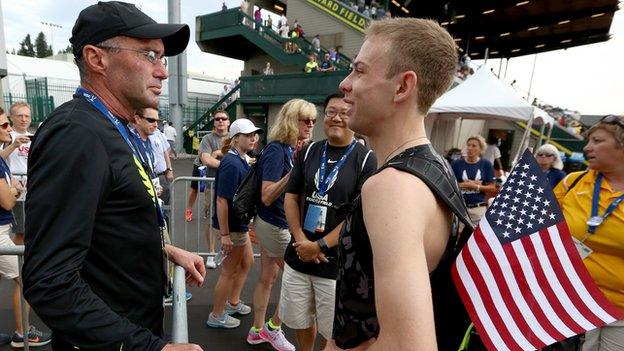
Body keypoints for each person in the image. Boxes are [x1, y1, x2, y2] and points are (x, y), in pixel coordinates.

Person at [22, 2, 205, 350]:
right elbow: (50, 281)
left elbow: (106, 223)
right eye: (150, 55)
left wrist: (164, 249)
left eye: (163, 59)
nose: (163, 72)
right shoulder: (78, 134)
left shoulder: (110, 126)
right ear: (96, 58)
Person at [329, 18, 461, 350]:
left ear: (402, 87)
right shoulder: (436, 167)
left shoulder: (393, 187)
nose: (345, 84)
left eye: (359, 71)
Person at [282, 92, 376, 351]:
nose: (337, 119)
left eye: (345, 113)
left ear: (354, 116)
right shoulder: (310, 150)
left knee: (332, 329)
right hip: (299, 255)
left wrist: (320, 246)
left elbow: (357, 215)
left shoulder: (366, 159)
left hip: (337, 265)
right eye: (332, 112)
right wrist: (302, 240)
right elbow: (291, 198)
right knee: (300, 320)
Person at [247, 99, 315, 351]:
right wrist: (295, 172)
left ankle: (257, 330)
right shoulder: (277, 150)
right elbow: (267, 195)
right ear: (291, 120)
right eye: (305, 120)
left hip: (271, 223)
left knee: (268, 277)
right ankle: (273, 328)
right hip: (274, 225)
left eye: (313, 121)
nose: (310, 125)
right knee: (298, 282)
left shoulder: (287, 149)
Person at [553, 115, 624, 351]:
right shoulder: (573, 182)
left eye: (597, 140)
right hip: (569, 300)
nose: (587, 147)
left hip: (619, 311)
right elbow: (541, 230)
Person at [0, 108, 49, 348]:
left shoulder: (7, 153)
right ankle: (22, 333)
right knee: (25, 276)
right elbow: (7, 200)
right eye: (4, 125)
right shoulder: (2, 155)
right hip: (4, 225)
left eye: (8, 124)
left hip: (7, 223)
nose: (10, 128)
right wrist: (16, 189)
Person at [206, 119, 262, 329]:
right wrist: (225, 235)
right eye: (248, 135)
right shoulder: (231, 163)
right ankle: (217, 314)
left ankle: (232, 302)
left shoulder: (240, 159)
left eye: (254, 134)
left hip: (238, 225)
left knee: (247, 262)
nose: (253, 138)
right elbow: (222, 200)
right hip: (232, 227)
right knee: (228, 271)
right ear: (236, 138)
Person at [185, 109, 229, 229]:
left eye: (223, 119)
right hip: (200, 167)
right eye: (217, 119)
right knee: (195, 190)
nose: (221, 121)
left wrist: (219, 152)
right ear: (214, 122)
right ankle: (189, 209)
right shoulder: (207, 138)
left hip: (223, 176)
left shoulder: (233, 138)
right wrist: (230, 165)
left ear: (228, 122)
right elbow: (207, 160)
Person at [0, 102, 32, 247]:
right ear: (12, 118)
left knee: (32, 230)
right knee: (21, 232)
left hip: (31, 189)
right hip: (12, 191)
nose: (24, 119)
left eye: (27, 116)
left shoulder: (34, 136)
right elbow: (1, 158)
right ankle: (17, 261)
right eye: (20, 116)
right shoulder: (7, 135)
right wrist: (14, 145)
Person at [451, 135, 497, 226]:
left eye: (474, 146)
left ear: (481, 149)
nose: (470, 148)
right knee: (456, 237)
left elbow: (492, 188)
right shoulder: (456, 164)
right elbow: (449, 184)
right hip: (459, 208)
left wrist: (476, 186)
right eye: (468, 145)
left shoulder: (486, 164)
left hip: (477, 209)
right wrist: (465, 184)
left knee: (475, 237)